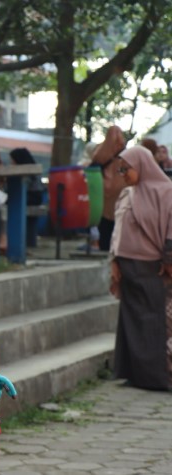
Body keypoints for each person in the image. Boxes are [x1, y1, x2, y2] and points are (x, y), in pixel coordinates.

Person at [109, 146, 172, 391]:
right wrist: (114, 261)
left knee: (154, 322)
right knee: (131, 321)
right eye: (120, 169)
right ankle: (133, 373)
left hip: (153, 268)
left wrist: (168, 261)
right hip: (128, 268)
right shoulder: (128, 194)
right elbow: (118, 232)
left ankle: (157, 377)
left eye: (127, 168)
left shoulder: (166, 192)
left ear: (142, 165)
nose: (123, 173)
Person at [92, 125, 127, 251]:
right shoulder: (125, 152)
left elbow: (93, 167)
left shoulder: (100, 150)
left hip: (103, 191)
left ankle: (104, 247)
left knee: (105, 223)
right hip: (121, 190)